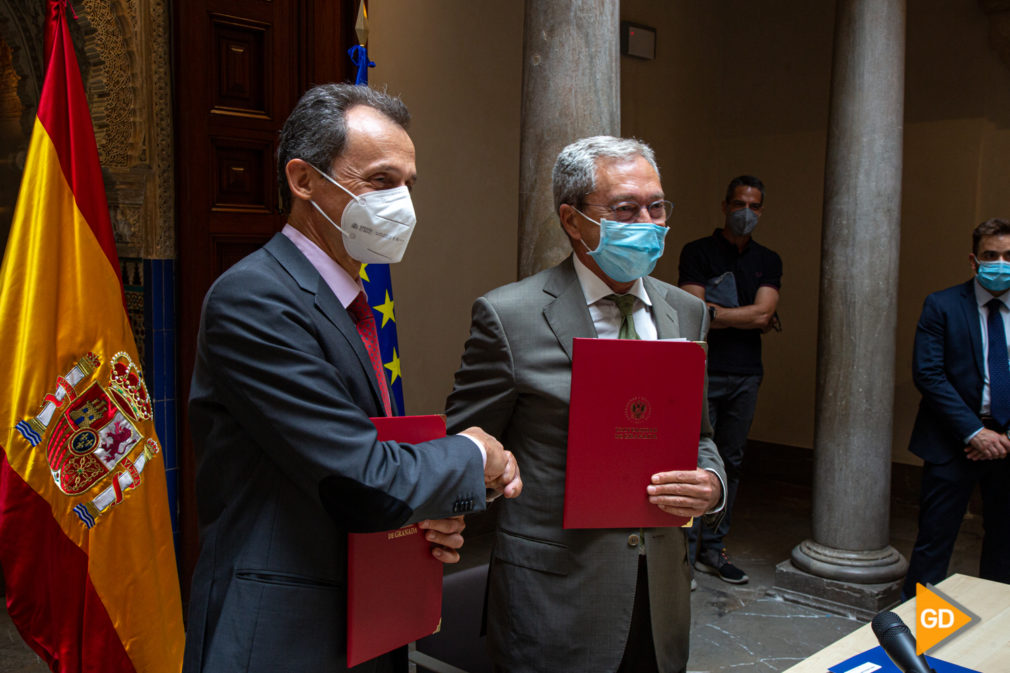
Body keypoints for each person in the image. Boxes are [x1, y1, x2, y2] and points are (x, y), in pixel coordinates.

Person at [182, 83, 522, 673]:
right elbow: (360, 476)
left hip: (365, 616)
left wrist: (426, 512)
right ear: (304, 180)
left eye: (409, 185)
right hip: (283, 632)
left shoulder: (345, 299)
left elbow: (346, 464)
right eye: (382, 181)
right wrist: (471, 454)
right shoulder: (257, 298)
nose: (403, 204)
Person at [446, 136, 725, 673]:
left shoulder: (686, 312)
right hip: (554, 597)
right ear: (573, 221)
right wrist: (486, 474)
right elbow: (462, 447)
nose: (647, 220)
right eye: (625, 209)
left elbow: (702, 435)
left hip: (660, 593)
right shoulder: (511, 316)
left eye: (657, 205)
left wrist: (711, 487)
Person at [677, 175, 782, 585]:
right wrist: (746, 315)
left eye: (755, 206)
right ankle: (682, 556)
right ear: (724, 206)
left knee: (731, 462)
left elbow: (763, 314)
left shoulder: (768, 260)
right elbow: (691, 312)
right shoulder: (698, 251)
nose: (746, 213)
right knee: (690, 462)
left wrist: (717, 313)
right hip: (700, 370)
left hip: (745, 374)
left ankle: (713, 549)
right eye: (740, 204)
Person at [902, 217, 1010, 599]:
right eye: (991, 255)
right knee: (934, 545)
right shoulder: (942, 305)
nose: (1000, 263)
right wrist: (975, 432)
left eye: (1008, 255)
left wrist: (1003, 437)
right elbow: (928, 375)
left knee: (1004, 546)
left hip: (1008, 445)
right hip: (952, 442)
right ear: (973, 260)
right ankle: (916, 639)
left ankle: (996, 634)